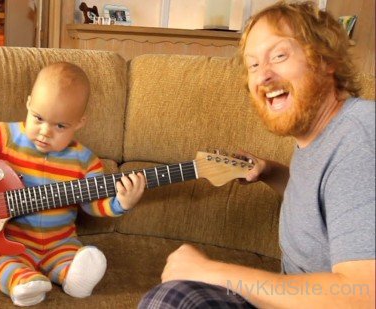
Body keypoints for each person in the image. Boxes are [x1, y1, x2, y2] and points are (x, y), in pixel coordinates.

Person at [139, 1, 375, 308]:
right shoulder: (318, 138)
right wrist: (272, 172)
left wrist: (210, 271)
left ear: (325, 60)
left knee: (174, 298)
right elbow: (326, 204)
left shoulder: (359, 139)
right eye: (253, 65)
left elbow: (363, 294)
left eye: (279, 55)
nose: (263, 76)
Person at [0, 62, 145, 307]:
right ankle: (23, 283)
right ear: (28, 102)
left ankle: (73, 277)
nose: (45, 132)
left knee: (74, 258)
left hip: (61, 242)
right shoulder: (5, 136)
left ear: (79, 123)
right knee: (3, 262)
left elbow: (93, 204)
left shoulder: (86, 161)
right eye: (38, 118)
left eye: (60, 126)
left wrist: (121, 203)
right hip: (10, 239)